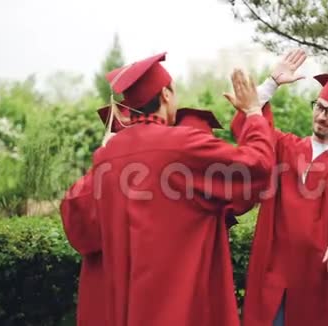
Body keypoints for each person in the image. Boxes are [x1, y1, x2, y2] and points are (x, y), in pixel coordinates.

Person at [60, 52, 274, 326]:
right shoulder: (182, 144)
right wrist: (254, 114)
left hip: (128, 309)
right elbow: (257, 166)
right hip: (180, 305)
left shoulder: (106, 157)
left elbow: (78, 226)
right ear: (165, 95)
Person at [230, 49, 328, 326]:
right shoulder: (285, 146)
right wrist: (271, 83)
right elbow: (247, 130)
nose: (322, 116)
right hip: (274, 267)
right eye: (319, 107)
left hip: (317, 274)